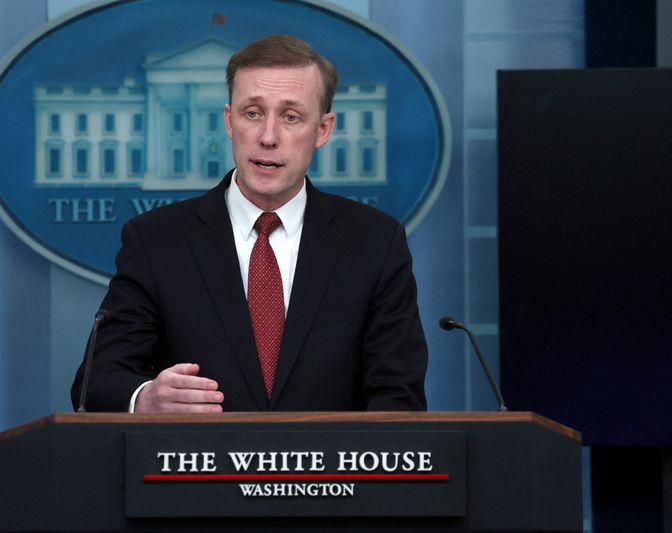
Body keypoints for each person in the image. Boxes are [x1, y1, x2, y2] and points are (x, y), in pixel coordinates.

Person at [71, 34, 427, 413]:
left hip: (328, 472)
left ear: (323, 130)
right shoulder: (156, 240)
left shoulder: (374, 243)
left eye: (290, 117)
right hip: (195, 469)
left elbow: (398, 397)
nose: (268, 137)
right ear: (229, 121)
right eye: (253, 113)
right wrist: (145, 398)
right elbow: (96, 381)